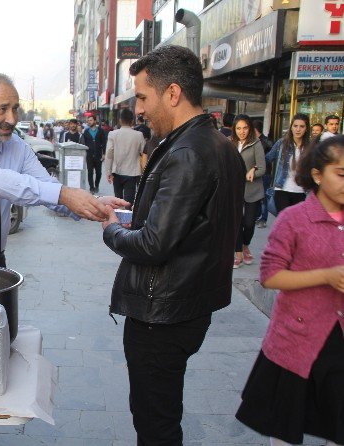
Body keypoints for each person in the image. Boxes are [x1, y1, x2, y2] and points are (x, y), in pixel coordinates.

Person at [0, 72, 123, 445]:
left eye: (15, 108)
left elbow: (42, 186)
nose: (12, 118)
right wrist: (64, 195)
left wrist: (92, 204)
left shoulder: (14, 145)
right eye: (2, 109)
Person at [101, 45, 245, 445]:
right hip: (188, 305)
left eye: (144, 97)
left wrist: (112, 229)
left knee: (155, 422)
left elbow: (153, 244)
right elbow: (194, 227)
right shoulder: (217, 145)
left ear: (173, 93)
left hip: (162, 314)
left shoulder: (187, 152)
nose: (140, 109)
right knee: (161, 414)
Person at [236, 135, 344, 446]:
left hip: (338, 344)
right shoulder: (294, 220)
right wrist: (325, 275)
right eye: (341, 173)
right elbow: (270, 276)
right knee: (284, 425)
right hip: (295, 341)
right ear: (317, 175)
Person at [230, 114, 266, 268]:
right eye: (238, 128)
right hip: (234, 190)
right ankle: (238, 253)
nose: (242, 131)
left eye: (245, 128)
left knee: (249, 223)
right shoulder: (229, 143)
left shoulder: (255, 143)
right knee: (236, 222)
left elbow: (262, 168)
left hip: (252, 190)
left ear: (249, 128)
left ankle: (245, 245)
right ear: (234, 129)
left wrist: (253, 171)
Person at [266, 113, 310, 214]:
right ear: (291, 128)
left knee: (297, 225)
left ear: (306, 129)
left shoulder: (310, 147)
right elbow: (267, 159)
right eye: (295, 126)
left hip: (301, 191)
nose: (298, 129)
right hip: (282, 189)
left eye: (302, 126)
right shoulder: (281, 143)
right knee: (284, 222)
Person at [105, 108, 145, 206]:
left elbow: (109, 154)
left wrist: (108, 171)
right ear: (132, 121)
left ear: (120, 120)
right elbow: (143, 152)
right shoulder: (139, 135)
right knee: (129, 201)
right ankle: (127, 219)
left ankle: (118, 217)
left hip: (117, 172)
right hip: (132, 172)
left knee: (118, 199)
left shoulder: (113, 134)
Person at [253, 119, 273, 229]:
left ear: (255, 130)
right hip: (260, 172)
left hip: (264, 173)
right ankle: (257, 216)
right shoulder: (261, 141)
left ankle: (263, 218)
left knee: (264, 197)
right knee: (257, 196)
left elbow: (267, 159)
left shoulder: (263, 142)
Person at [82, 115, 107, 193]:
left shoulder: (101, 131)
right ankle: (91, 188)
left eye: (91, 120)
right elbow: (84, 143)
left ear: (95, 121)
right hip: (89, 155)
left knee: (99, 172)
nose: (89, 122)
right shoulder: (86, 131)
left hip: (98, 154)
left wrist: (104, 153)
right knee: (90, 172)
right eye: (88, 120)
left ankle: (96, 185)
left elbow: (104, 143)